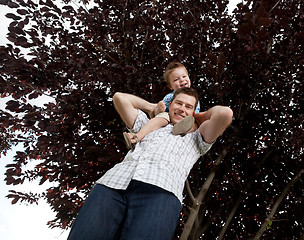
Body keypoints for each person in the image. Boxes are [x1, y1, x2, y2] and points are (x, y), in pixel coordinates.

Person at [67, 87, 233, 240]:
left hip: (160, 194)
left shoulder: (197, 136)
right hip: (113, 185)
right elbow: (120, 98)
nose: (182, 108)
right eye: (179, 103)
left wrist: (197, 116)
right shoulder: (147, 124)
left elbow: (224, 114)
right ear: (170, 104)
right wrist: (152, 107)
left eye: (188, 106)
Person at [123, 62, 200, 149]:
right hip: (169, 117)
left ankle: (183, 129)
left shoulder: (193, 98)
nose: (182, 80)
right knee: (161, 118)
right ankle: (136, 137)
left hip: (184, 119)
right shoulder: (170, 97)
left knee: (195, 124)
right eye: (176, 79)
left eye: (184, 76)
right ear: (170, 86)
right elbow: (158, 110)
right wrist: (159, 109)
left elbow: (195, 114)